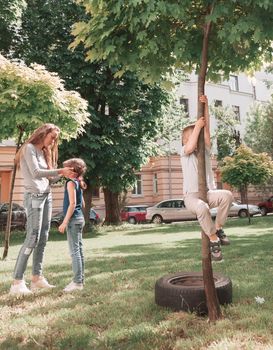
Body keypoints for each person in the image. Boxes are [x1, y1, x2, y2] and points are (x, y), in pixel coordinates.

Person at [10, 123, 76, 296]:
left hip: (46, 196)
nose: (54, 141)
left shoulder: (44, 152)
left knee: (44, 237)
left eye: (55, 139)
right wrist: (60, 170)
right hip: (33, 197)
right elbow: (36, 172)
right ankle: (17, 282)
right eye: (52, 137)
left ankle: (37, 278)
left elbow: (49, 179)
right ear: (42, 133)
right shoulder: (29, 148)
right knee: (32, 237)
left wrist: (66, 174)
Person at [180, 95, 233, 261]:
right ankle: (213, 239)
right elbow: (190, 146)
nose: (196, 135)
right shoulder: (184, 152)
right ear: (185, 139)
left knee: (227, 196)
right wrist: (196, 126)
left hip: (209, 192)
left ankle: (217, 228)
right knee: (202, 208)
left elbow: (207, 129)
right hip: (192, 196)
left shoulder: (206, 150)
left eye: (197, 133)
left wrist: (206, 106)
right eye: (192, 134)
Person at [58, 158, 86, 293]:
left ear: (72, 170)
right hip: (80, 219)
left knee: (75, 252)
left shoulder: (70, 183)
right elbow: (82, 203)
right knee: (79, 251)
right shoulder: (78, 182)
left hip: (73, 220)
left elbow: (73, 204)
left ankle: (77, 282)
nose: (62, 170)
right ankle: (79, 280)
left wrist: (64, 222)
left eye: (65, 168)